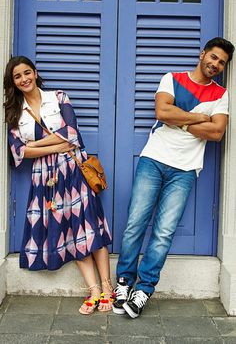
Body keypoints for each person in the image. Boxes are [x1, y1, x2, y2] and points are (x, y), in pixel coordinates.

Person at [113, 37, 235, 319]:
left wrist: (180, 120)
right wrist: (200, 118)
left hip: (186, 169)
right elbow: (161, 111)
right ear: (203, 54)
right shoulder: (172, 78)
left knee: (163, 232)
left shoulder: (221, 94)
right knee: (135, 224)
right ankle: (123, 283)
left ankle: (144, 289)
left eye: (221, 63)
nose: (215, 64)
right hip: (153, 159)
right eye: (213, 57)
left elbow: (217, 133)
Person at [4, 56, 114, 315]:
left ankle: (108, 289)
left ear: (35, 72)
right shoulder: (14, 113)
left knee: (89, 226)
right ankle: (94, 290)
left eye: (27, 73)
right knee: (71, 232)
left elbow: (72, 136)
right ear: (13, 82)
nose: (24, 79)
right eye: (17, 76)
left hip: (73, 170)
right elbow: (18, 153)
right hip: (45, 179)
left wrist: (35, 145)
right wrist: (53, 144)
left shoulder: (59, 97)